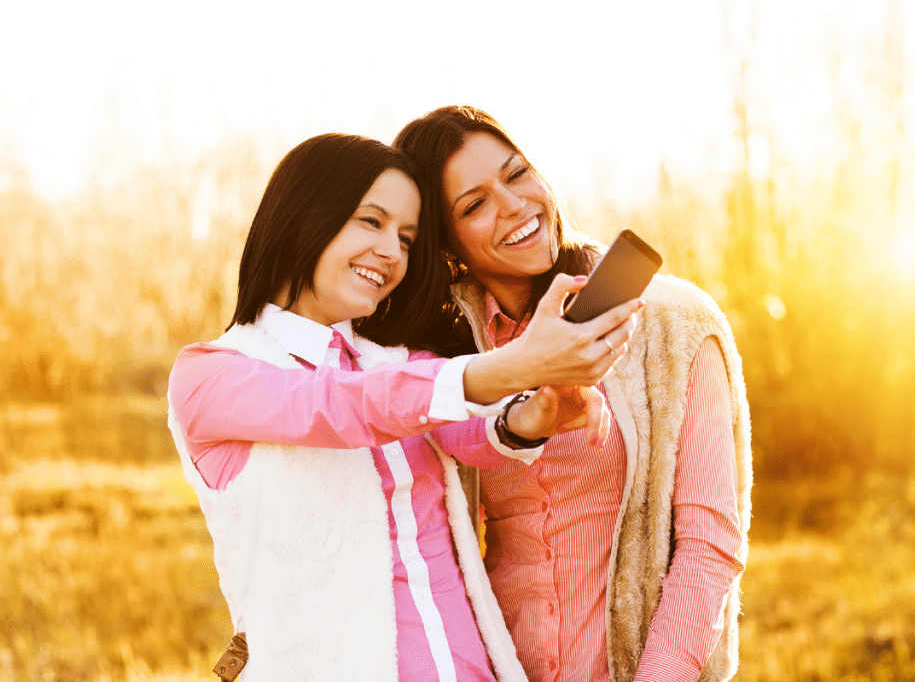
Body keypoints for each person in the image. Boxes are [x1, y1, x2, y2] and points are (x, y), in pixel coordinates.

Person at [166, 133, 640, 682]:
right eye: (371, 222)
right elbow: (340, 409)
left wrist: (530, 418)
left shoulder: (393, 359)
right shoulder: (212, 374)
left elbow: (453, 433)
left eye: (407, 238)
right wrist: (521, 363)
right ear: (305, 217)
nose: (392, 252)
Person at [394, 107, 753, 682]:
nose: (513, 205)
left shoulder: (671, 324)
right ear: (447, 246)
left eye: (516, 175)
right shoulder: (449, 360)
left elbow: (711, 545)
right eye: (474, 204)